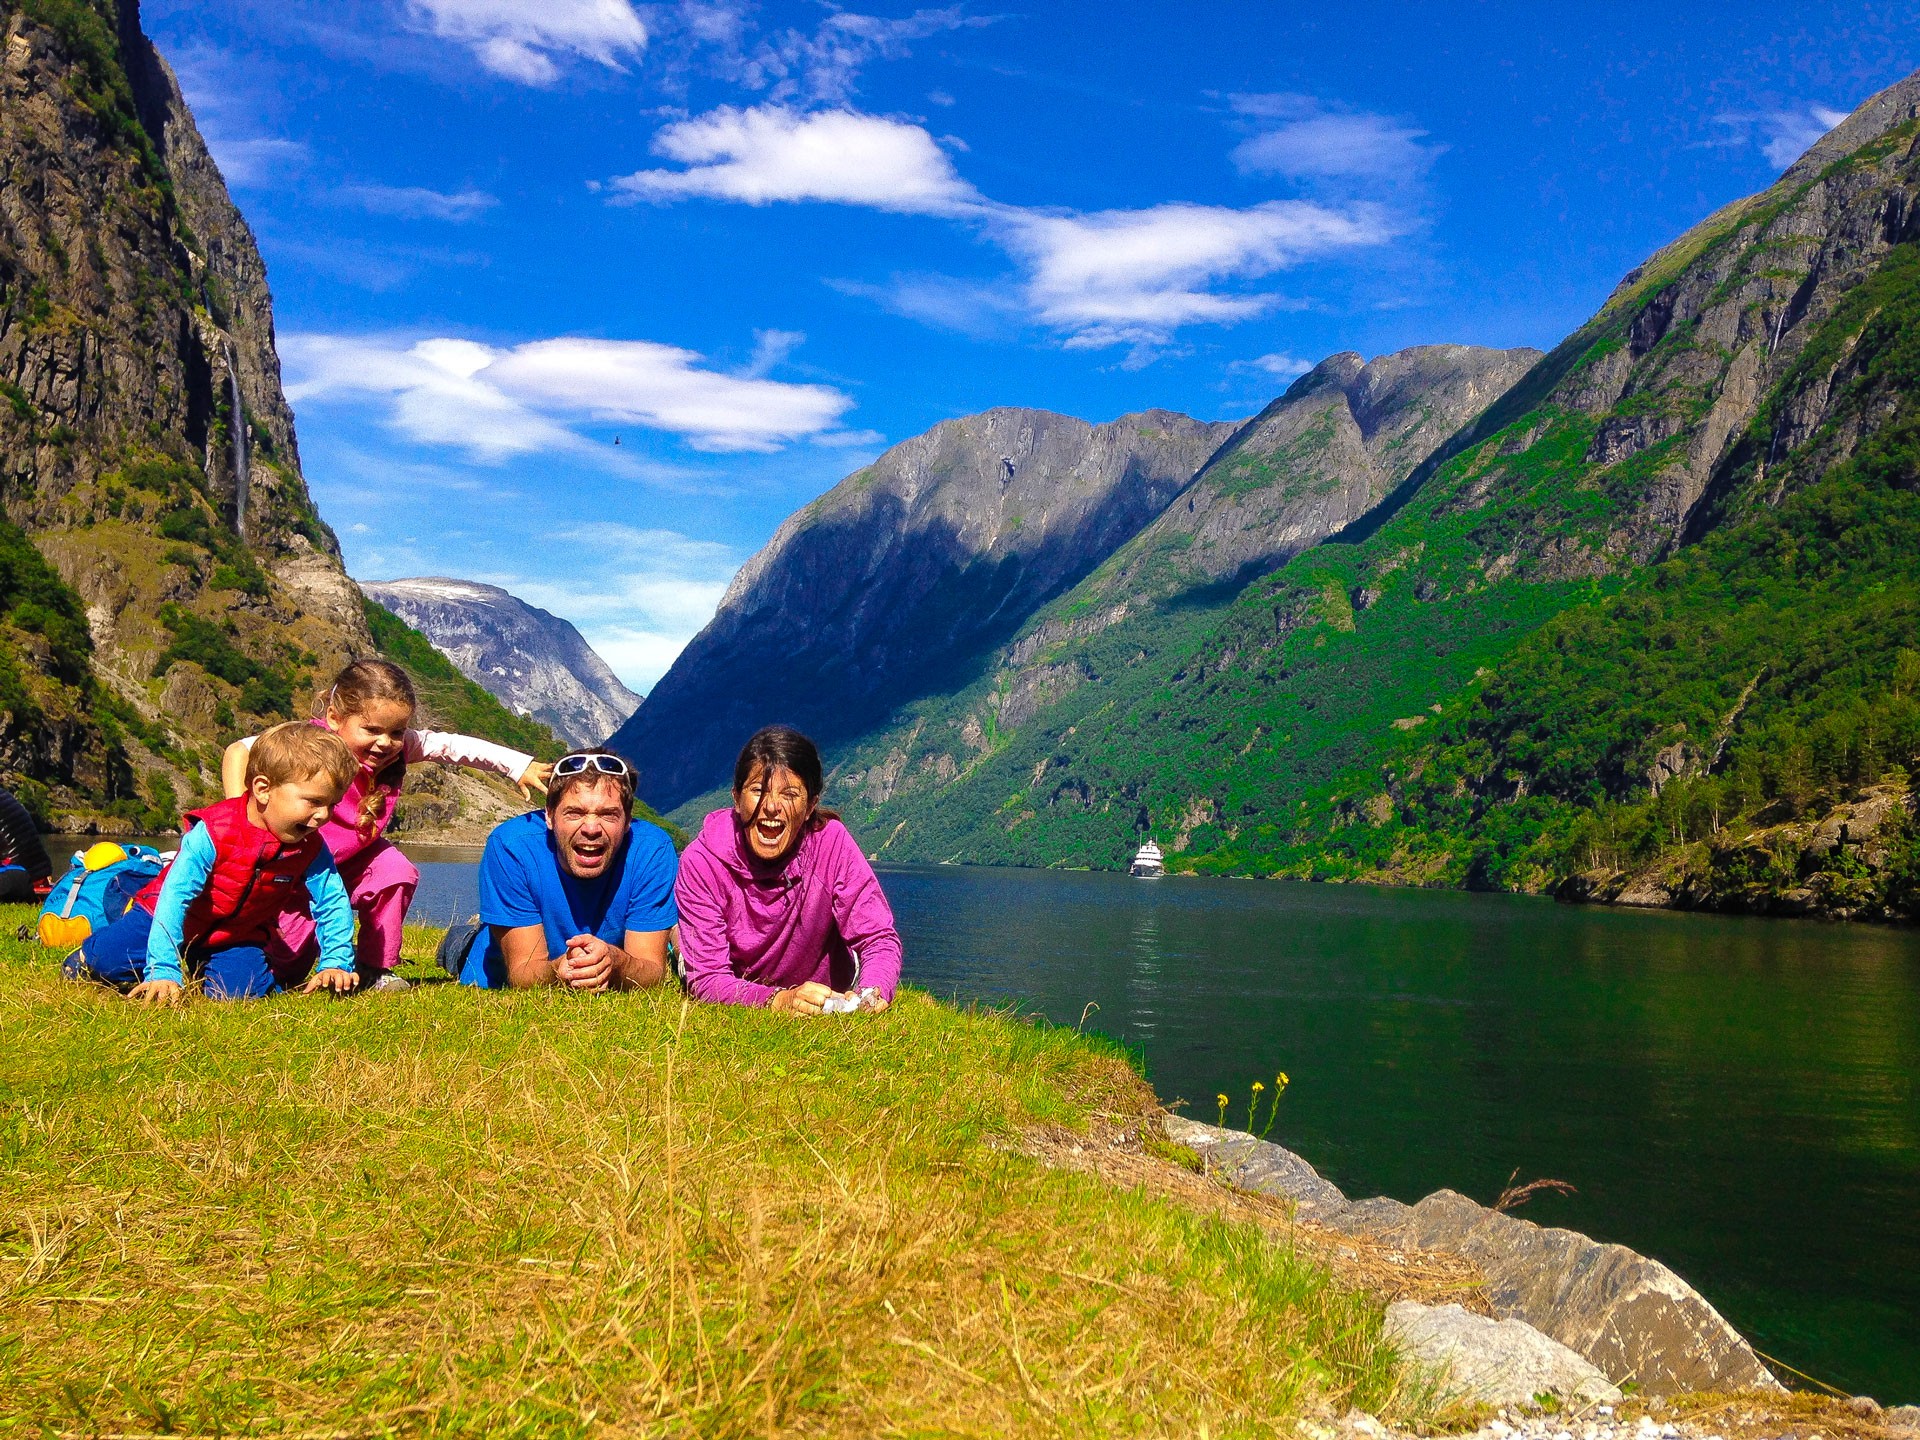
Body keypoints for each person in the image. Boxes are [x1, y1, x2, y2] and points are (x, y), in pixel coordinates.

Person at [221, 660, 554, 993]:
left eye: (396, 732)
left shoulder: (400, 748)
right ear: (335, 718)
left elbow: (456, 747)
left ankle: (373, 967)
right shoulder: (310, 741)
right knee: (287, 967)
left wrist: (517, 765)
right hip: (294, 865)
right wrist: (241, 823)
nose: (386, 742)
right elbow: (238, 751)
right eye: (372, 730)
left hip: (353, 859)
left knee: (396, 871)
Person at [63, 724, 360, 1003]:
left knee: (239, 994)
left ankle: (199, 965)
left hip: (236, 935)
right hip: (162, 915)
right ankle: (89, 954)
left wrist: (336, 960)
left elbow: (332, 901)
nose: (323, 816)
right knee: (109, 962)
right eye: (313, 801)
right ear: (263, 789)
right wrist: (163, 970)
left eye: (331, 804)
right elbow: (175, 897)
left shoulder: (310, 846)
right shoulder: (215, 831)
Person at [675, 725, 902, 1014]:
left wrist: (872, 992)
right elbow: (708, 979)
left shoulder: (831, 843)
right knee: (691, 961)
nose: (771, 806)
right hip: (737, 984)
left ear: (810, 807)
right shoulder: (701, 861)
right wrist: (778, 1000)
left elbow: (878, 937)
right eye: (758, 790)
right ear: (736, 798)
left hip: (827, 992)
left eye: (790, 794)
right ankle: (678, 942)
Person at [460, 748, 676, 991]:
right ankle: (461, 938)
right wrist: (558, 970)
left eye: (608, 814)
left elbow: (652, 971)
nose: (592, 828)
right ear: (549, 816)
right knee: (460, 946)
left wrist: (617, 963)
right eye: (575, 813)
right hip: (496, 972)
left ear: (627, 821)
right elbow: (522, 972)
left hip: (610, 956)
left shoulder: (652, 850)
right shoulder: (510, 846)